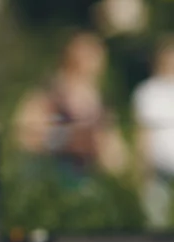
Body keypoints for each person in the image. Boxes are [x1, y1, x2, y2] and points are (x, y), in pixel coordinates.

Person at [12, 30, 127, 182]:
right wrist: (68, 139)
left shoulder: (98, 99)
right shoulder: (51, 92)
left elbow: (113, 147)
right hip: (54, 174)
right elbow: (23, 133)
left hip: (89, 176)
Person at [133, 36, 174, 227]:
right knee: (156, 222)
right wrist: (143, 167)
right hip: (157, 170)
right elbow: (143, 132)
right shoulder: (148, 91)